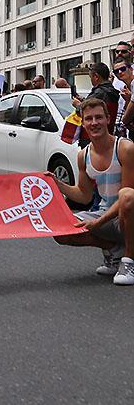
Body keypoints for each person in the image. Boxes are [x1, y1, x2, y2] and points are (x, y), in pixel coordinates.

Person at [54, 97, 134, 285]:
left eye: (99, 117)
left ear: (108, 119)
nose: (94, 123)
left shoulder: (125, 148)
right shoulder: (83, 155)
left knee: (127, 196)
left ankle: (129, 260)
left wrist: (97, 223)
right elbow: (84, 195)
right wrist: (57, 183)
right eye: (89, 119)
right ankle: (115, 249)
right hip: (106, 216)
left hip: (127, 214)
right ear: (82, 122)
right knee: (60, 229)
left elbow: (128, 197)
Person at [72, 62, 120, 140]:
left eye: (90, 77)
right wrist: (83, 100)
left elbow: (85, 111)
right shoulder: (110, 90)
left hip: (93, 136)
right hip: (106, 133)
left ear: (96, 76)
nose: (90, 80)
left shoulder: (99, 92)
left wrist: (78, 105)